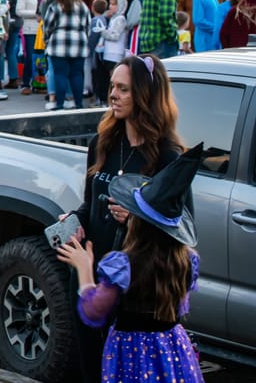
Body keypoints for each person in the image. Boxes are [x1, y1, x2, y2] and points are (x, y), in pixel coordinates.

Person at [60, 53, 186, 382]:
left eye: (124, 89)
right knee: (92, 367)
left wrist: (137, 217)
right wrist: (73, 219)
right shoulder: (102, 143)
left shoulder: (168, 156)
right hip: (90, 274)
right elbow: (91, 205)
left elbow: (181, 229)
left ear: (145, 96)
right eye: (112, 87)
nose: (113, 95)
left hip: (134, 287)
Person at [58, 145, 204, 383]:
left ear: (137, 221)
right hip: (174, 349)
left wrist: (85, 268)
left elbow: (95, 311)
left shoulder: (124, 265)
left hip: (134, 354)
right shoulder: (187, 259)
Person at [43, 0, 91, 110]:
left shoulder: (55, 6)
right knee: (77, 74)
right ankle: (78, 103)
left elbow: (47, 26)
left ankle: (59, 104)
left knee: (60, 74)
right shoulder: (82, 6)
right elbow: (88, 25)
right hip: (78, 43)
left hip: (58, 43)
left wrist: (47, 40)